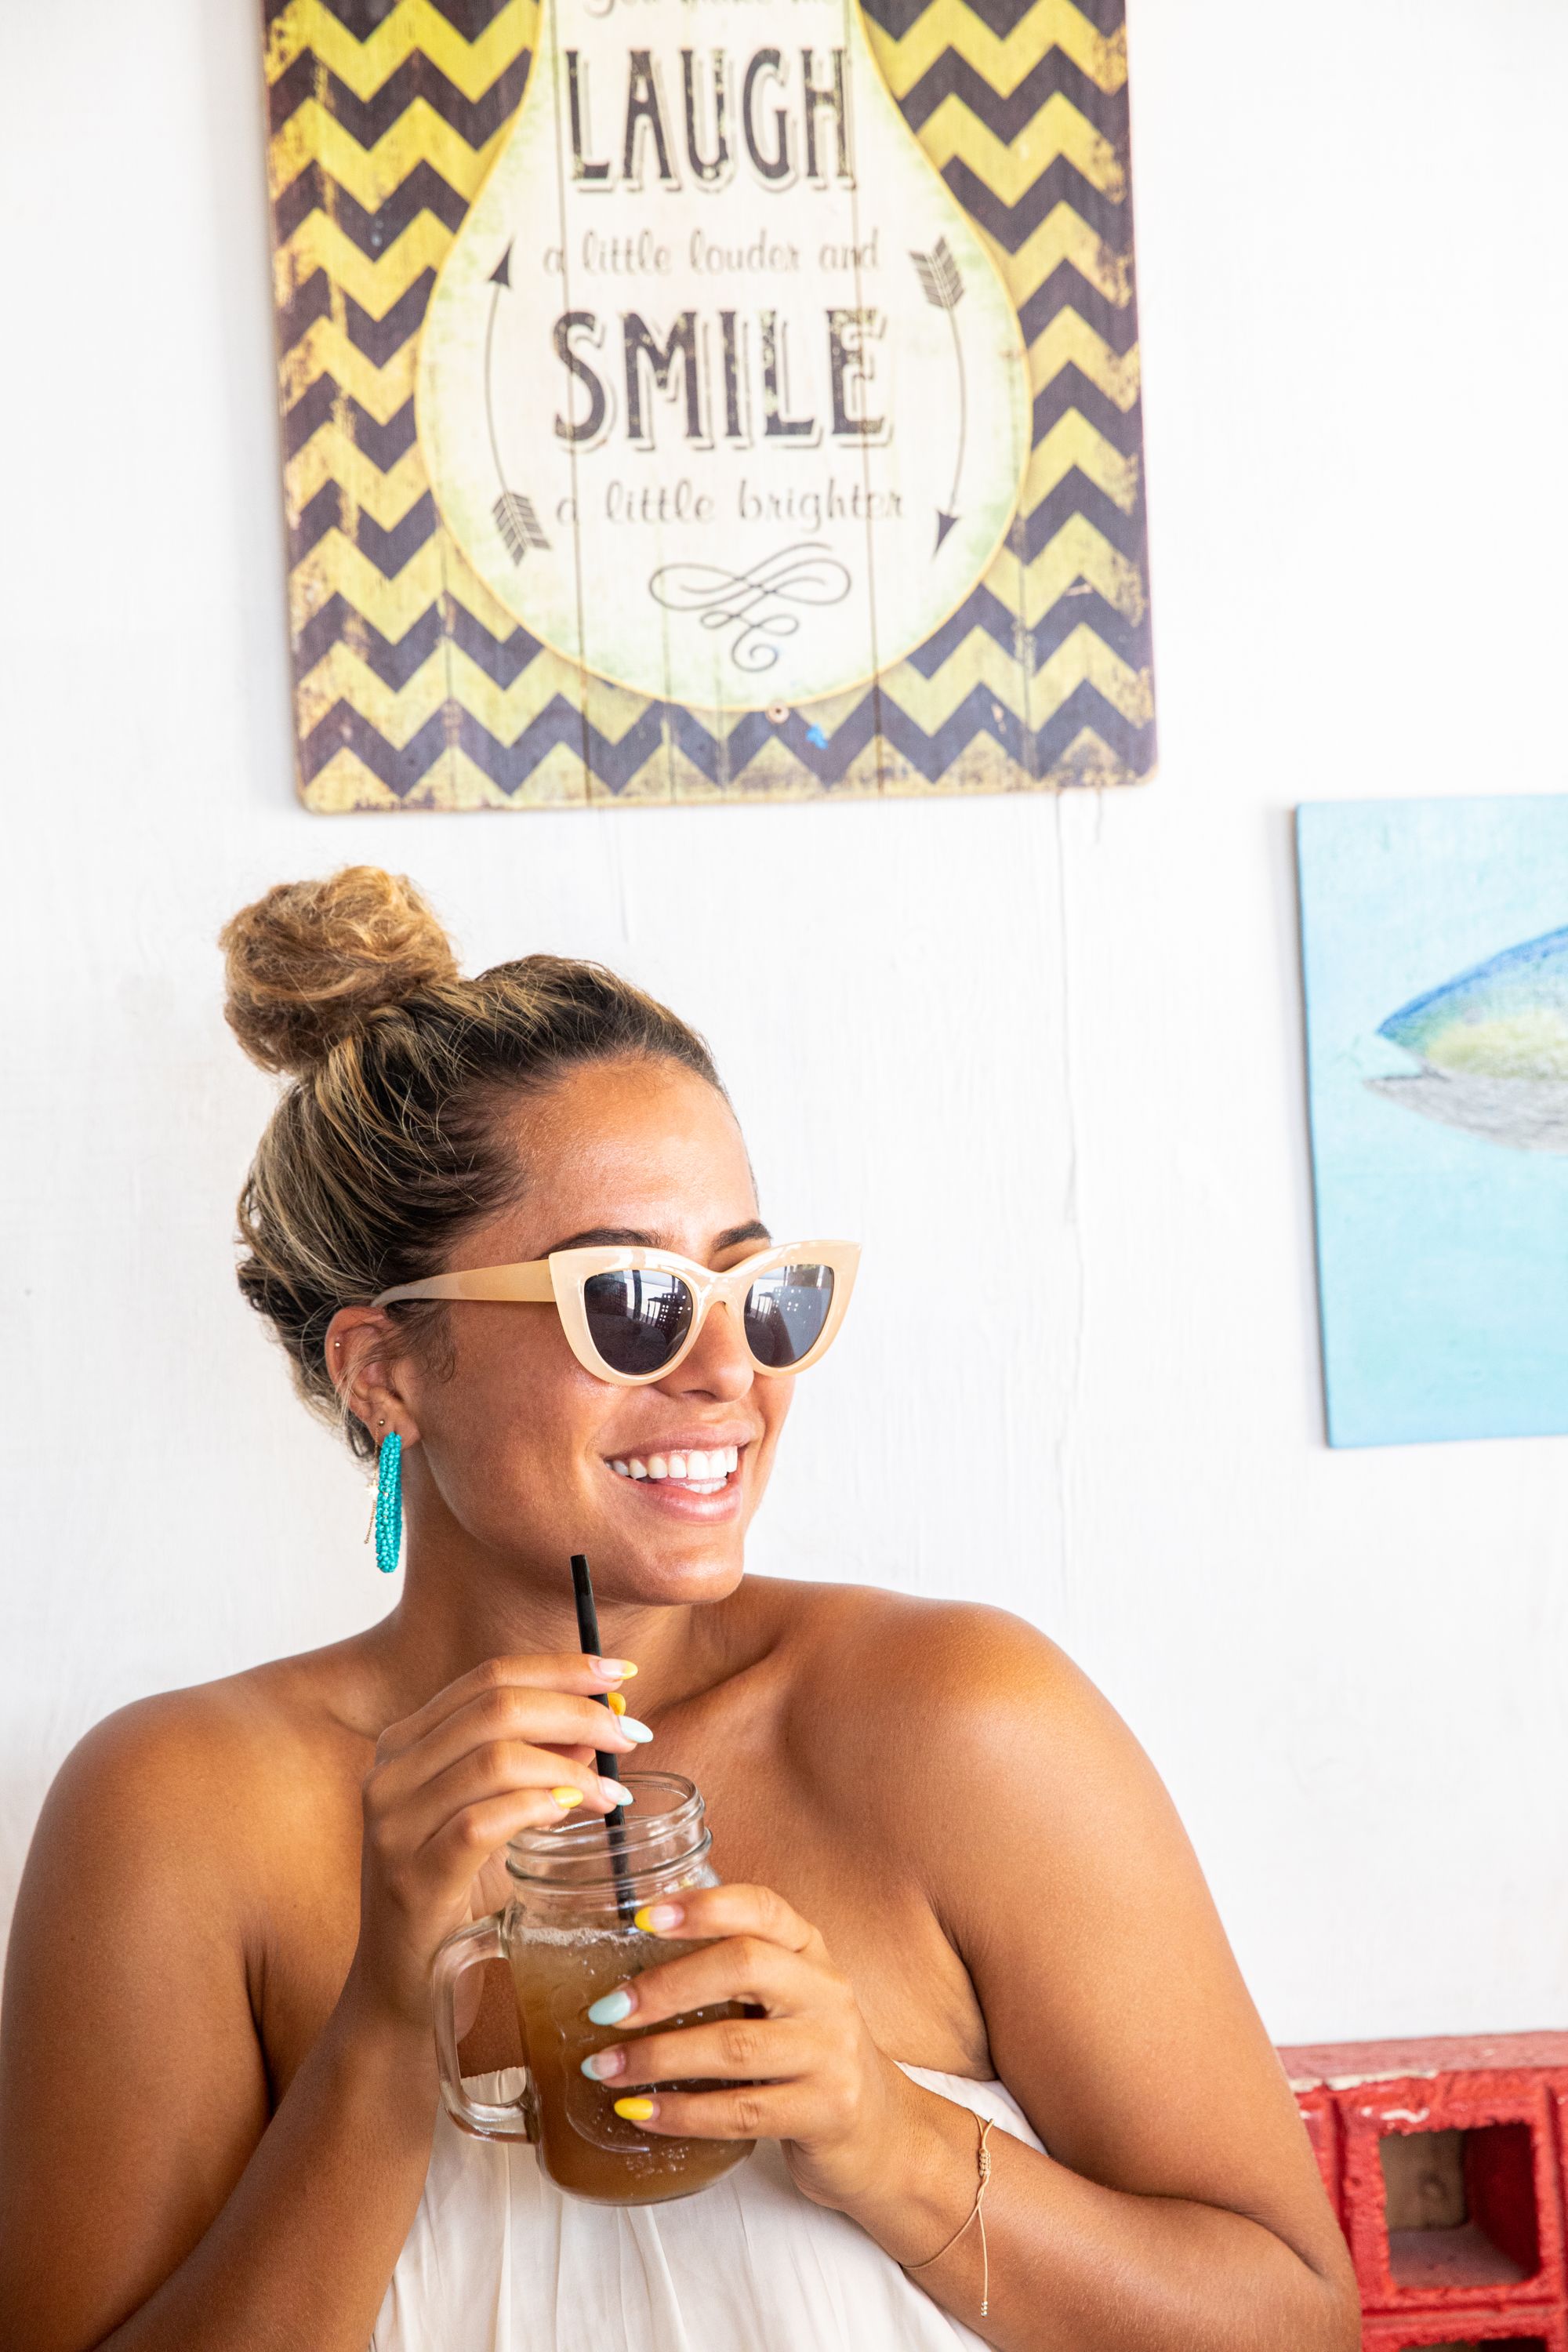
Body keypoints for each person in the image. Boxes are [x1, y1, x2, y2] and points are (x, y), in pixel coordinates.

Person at [0, 868, 1358, 2352]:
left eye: (757, 1294)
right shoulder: (177, 1812)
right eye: (631, 1304)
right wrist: (390, 2027)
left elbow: (1291, 2324)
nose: (730, 1375)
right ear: (385, 1368)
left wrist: (885, 2140)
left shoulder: (962, 1721)